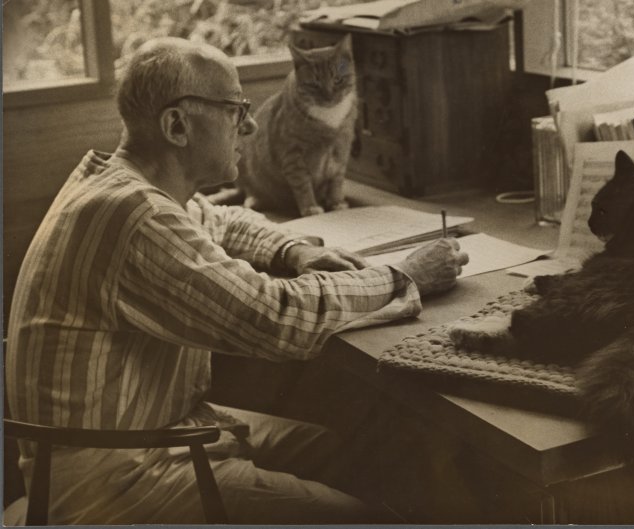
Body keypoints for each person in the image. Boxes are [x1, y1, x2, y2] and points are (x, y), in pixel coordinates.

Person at [5, 37, 468, 524]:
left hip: (155, 433)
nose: (248, 125)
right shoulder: (137, 216)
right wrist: (403, 275)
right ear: (177, 125)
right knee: (361, 514)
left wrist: (295, 249)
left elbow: (219, 220)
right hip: (116, 475)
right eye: (234, 109)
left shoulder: (124, 181)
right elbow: (274, 316)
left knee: (346, 448)